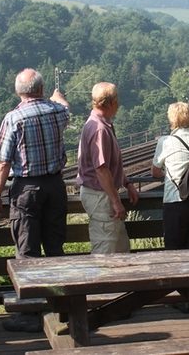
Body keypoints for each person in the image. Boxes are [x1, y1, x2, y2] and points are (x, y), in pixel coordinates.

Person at [0, 68, 70, 331]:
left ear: (18, 91)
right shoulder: (58, 112)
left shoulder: (14, 119)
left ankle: (29, 316)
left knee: (27, 250)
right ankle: (61, 311)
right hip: (56, 187)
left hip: (27, 190)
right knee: (55, 249)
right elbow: (64, 106)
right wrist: (58, 97)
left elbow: (2, 162)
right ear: (42, 88)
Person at [76, 82, 139, 254]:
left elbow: (112, 164)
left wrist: (127, 183)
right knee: (105, 252)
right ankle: (100, 281)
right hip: (100, 196)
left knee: (120, 250)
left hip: (101, 195)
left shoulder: (99, 124)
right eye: (117, 100)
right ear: (110, 102)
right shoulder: (100, 130)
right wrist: (116, 201)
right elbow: (102, 169)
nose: (118, 104)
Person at [151, 102, 189, 250]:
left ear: (172, 119)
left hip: (175, 201)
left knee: (174, 249)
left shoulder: (165, 141)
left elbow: (155, 171)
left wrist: (168, 173)